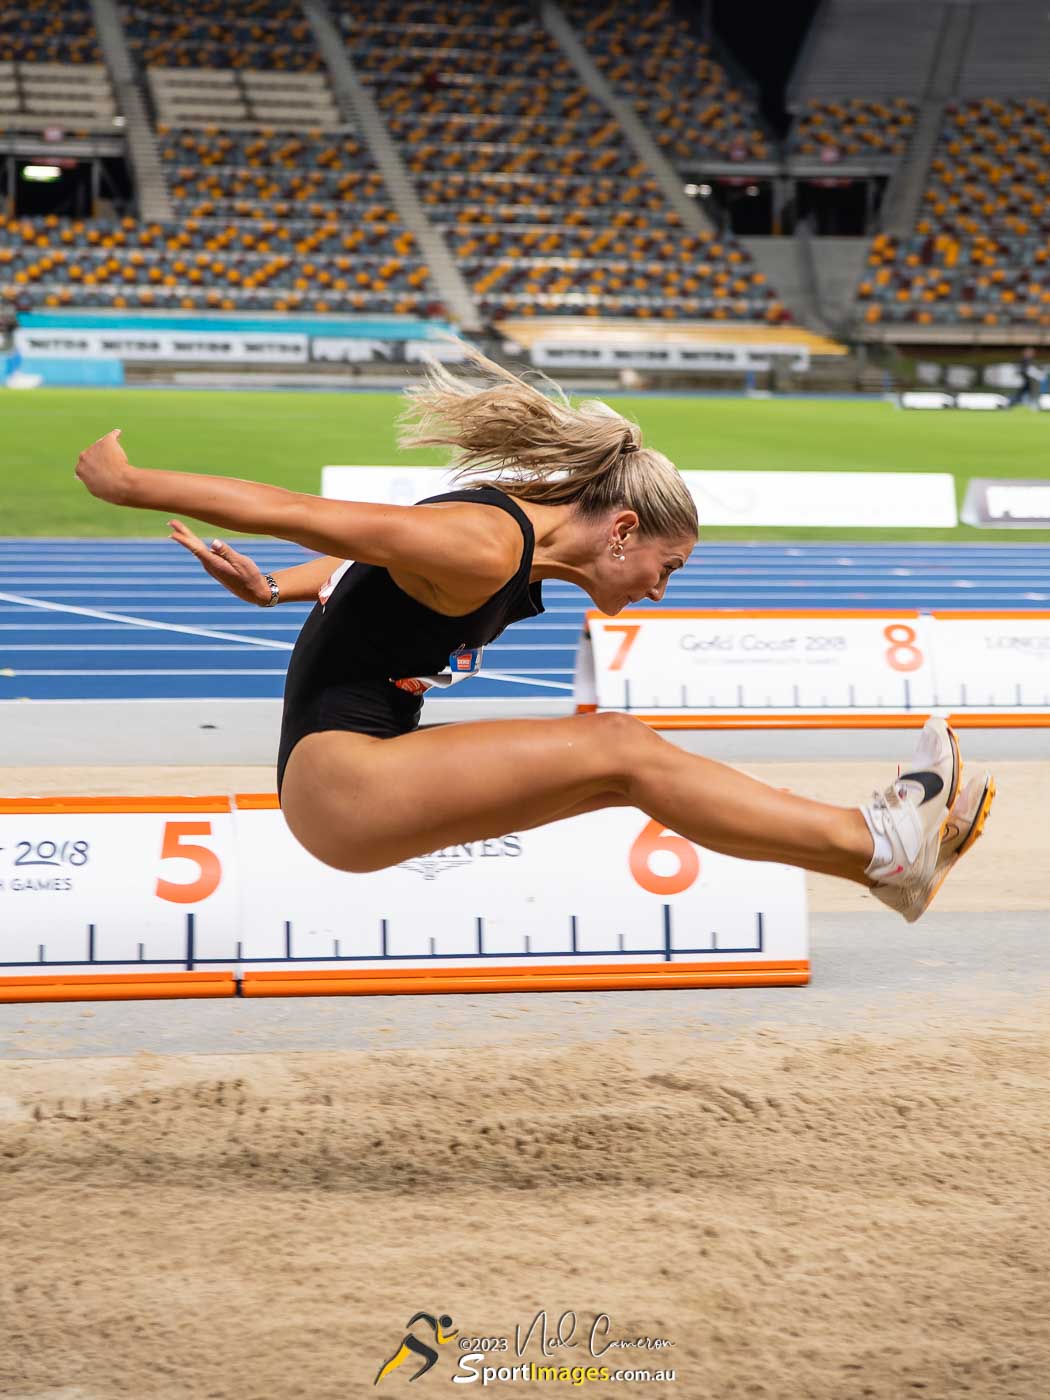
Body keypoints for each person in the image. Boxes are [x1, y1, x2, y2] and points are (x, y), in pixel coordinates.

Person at [74, 352, 994, 923]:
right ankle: (878, 843)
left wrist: (279, 590)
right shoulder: (486, 542)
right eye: (665, 569)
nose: (660, 593)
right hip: (343, 780)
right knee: (618, 746)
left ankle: (879, 866)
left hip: (363, 774)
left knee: (620, 774)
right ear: (624, 530)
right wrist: (132, 486)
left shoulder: (521, 558)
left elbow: (363, 575)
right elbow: (303, 512)